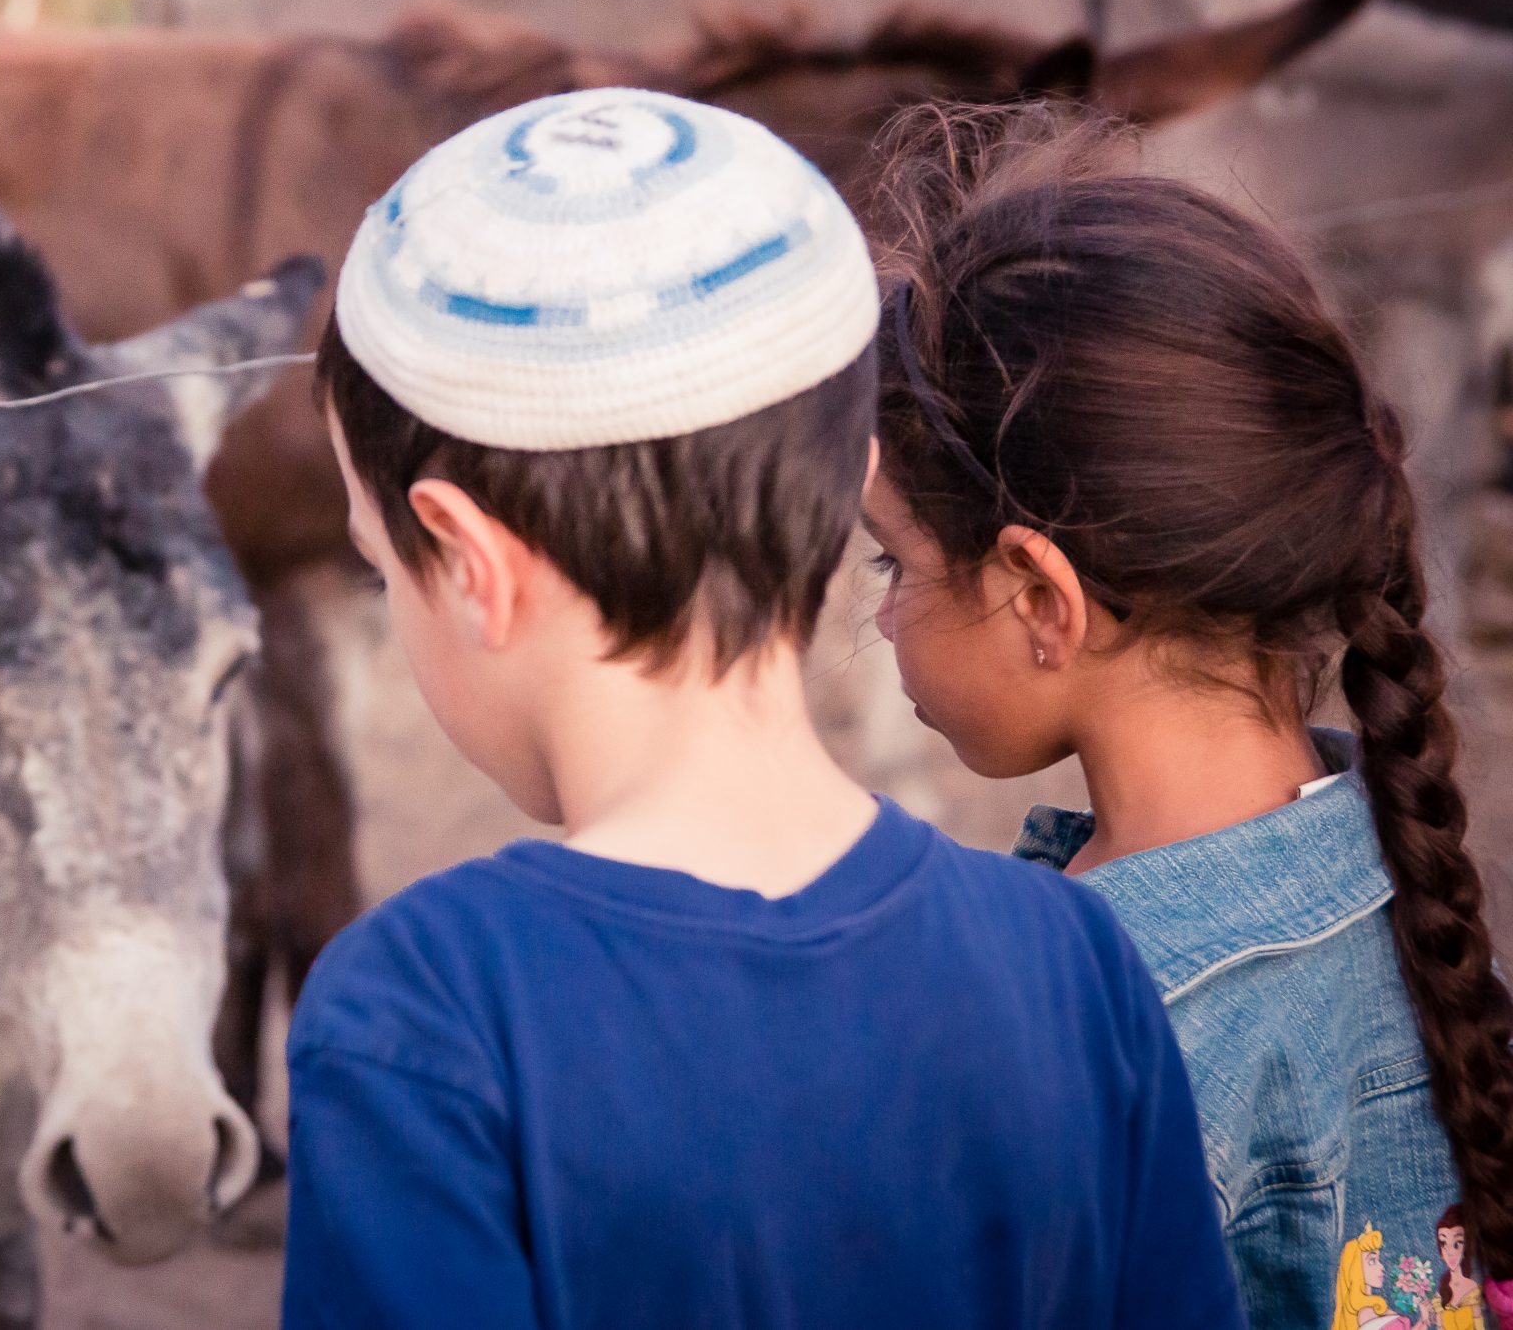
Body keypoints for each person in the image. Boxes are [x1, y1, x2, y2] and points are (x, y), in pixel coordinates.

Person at [281, 88, 1242, 1329]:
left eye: (378, 567)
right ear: (853, 472)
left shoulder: (420, 1014)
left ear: (467, 559)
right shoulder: (1075, 964)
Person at [859, 110, 1513, 1327]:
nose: (884, 618)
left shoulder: (1074, 1047)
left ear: (1039, 597)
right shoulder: (1412, 909)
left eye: (890, 562)